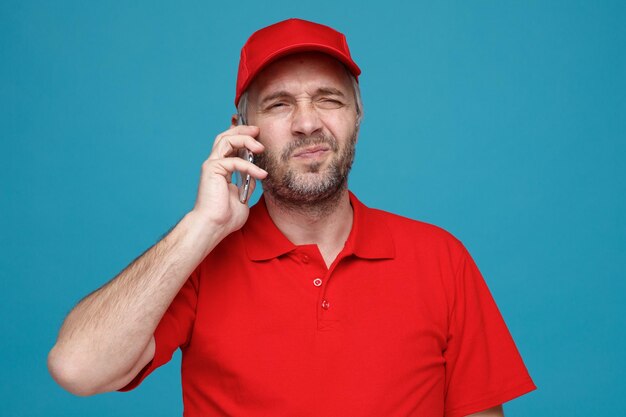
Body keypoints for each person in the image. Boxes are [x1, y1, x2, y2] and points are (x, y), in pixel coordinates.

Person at [48, 18, 535, 417]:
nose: (307, 121)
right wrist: (202, 226)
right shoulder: (198, 261)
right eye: (280, 103)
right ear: (242, 130)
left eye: (328, 98)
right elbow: (77, 368)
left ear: (358, 114)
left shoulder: (440, 259)